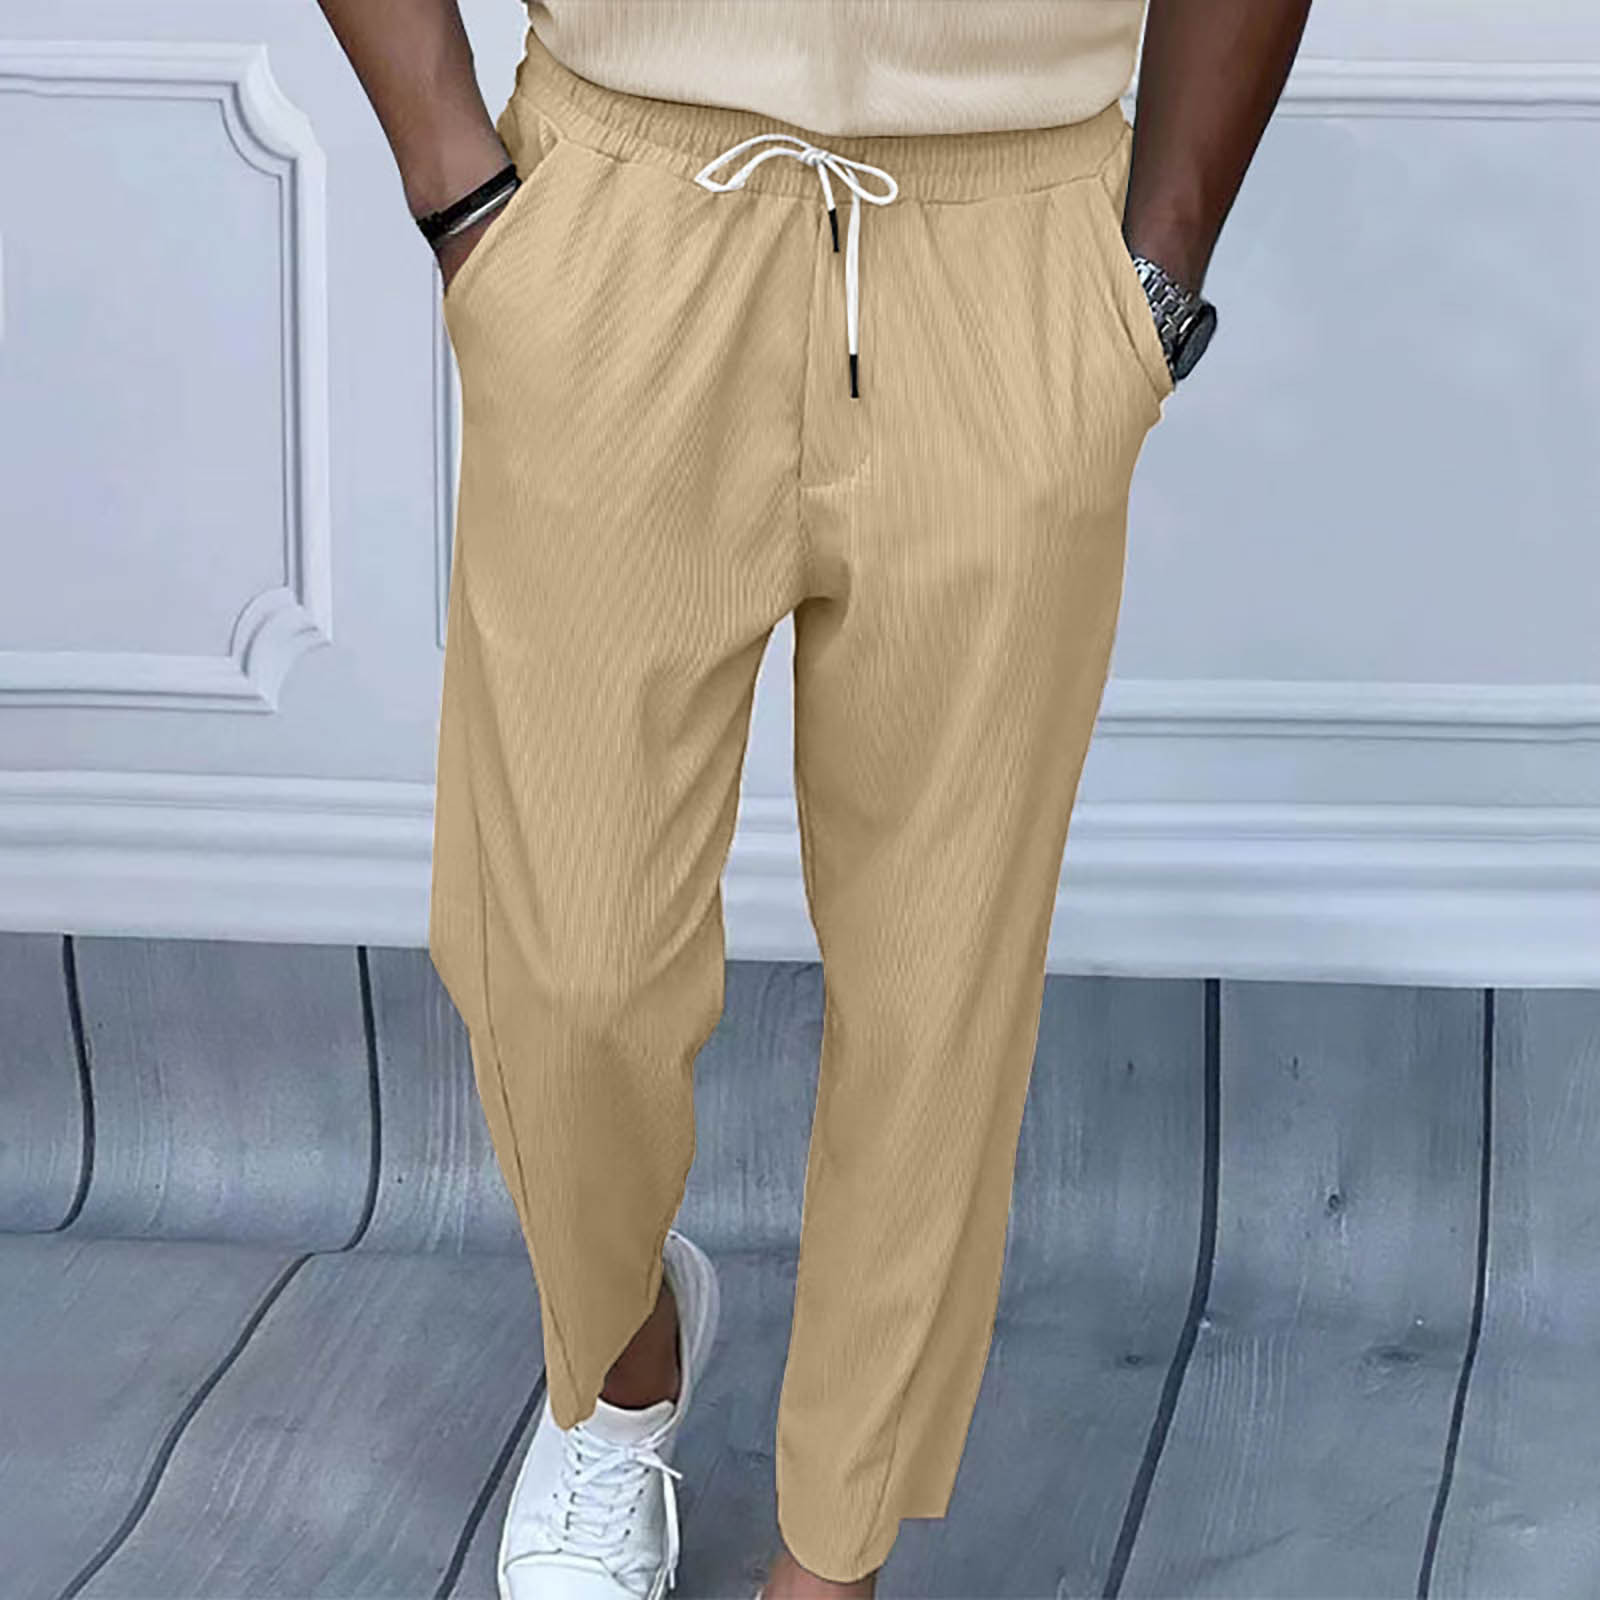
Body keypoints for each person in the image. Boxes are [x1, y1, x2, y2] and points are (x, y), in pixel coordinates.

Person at [313, 3, 1309, 1596]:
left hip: (1010, 235)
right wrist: (457, 187)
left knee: (938, 988)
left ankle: (833, 1558)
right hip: (623, 221)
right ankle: (622, 1366)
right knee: (560, 972)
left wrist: (1154, 273)